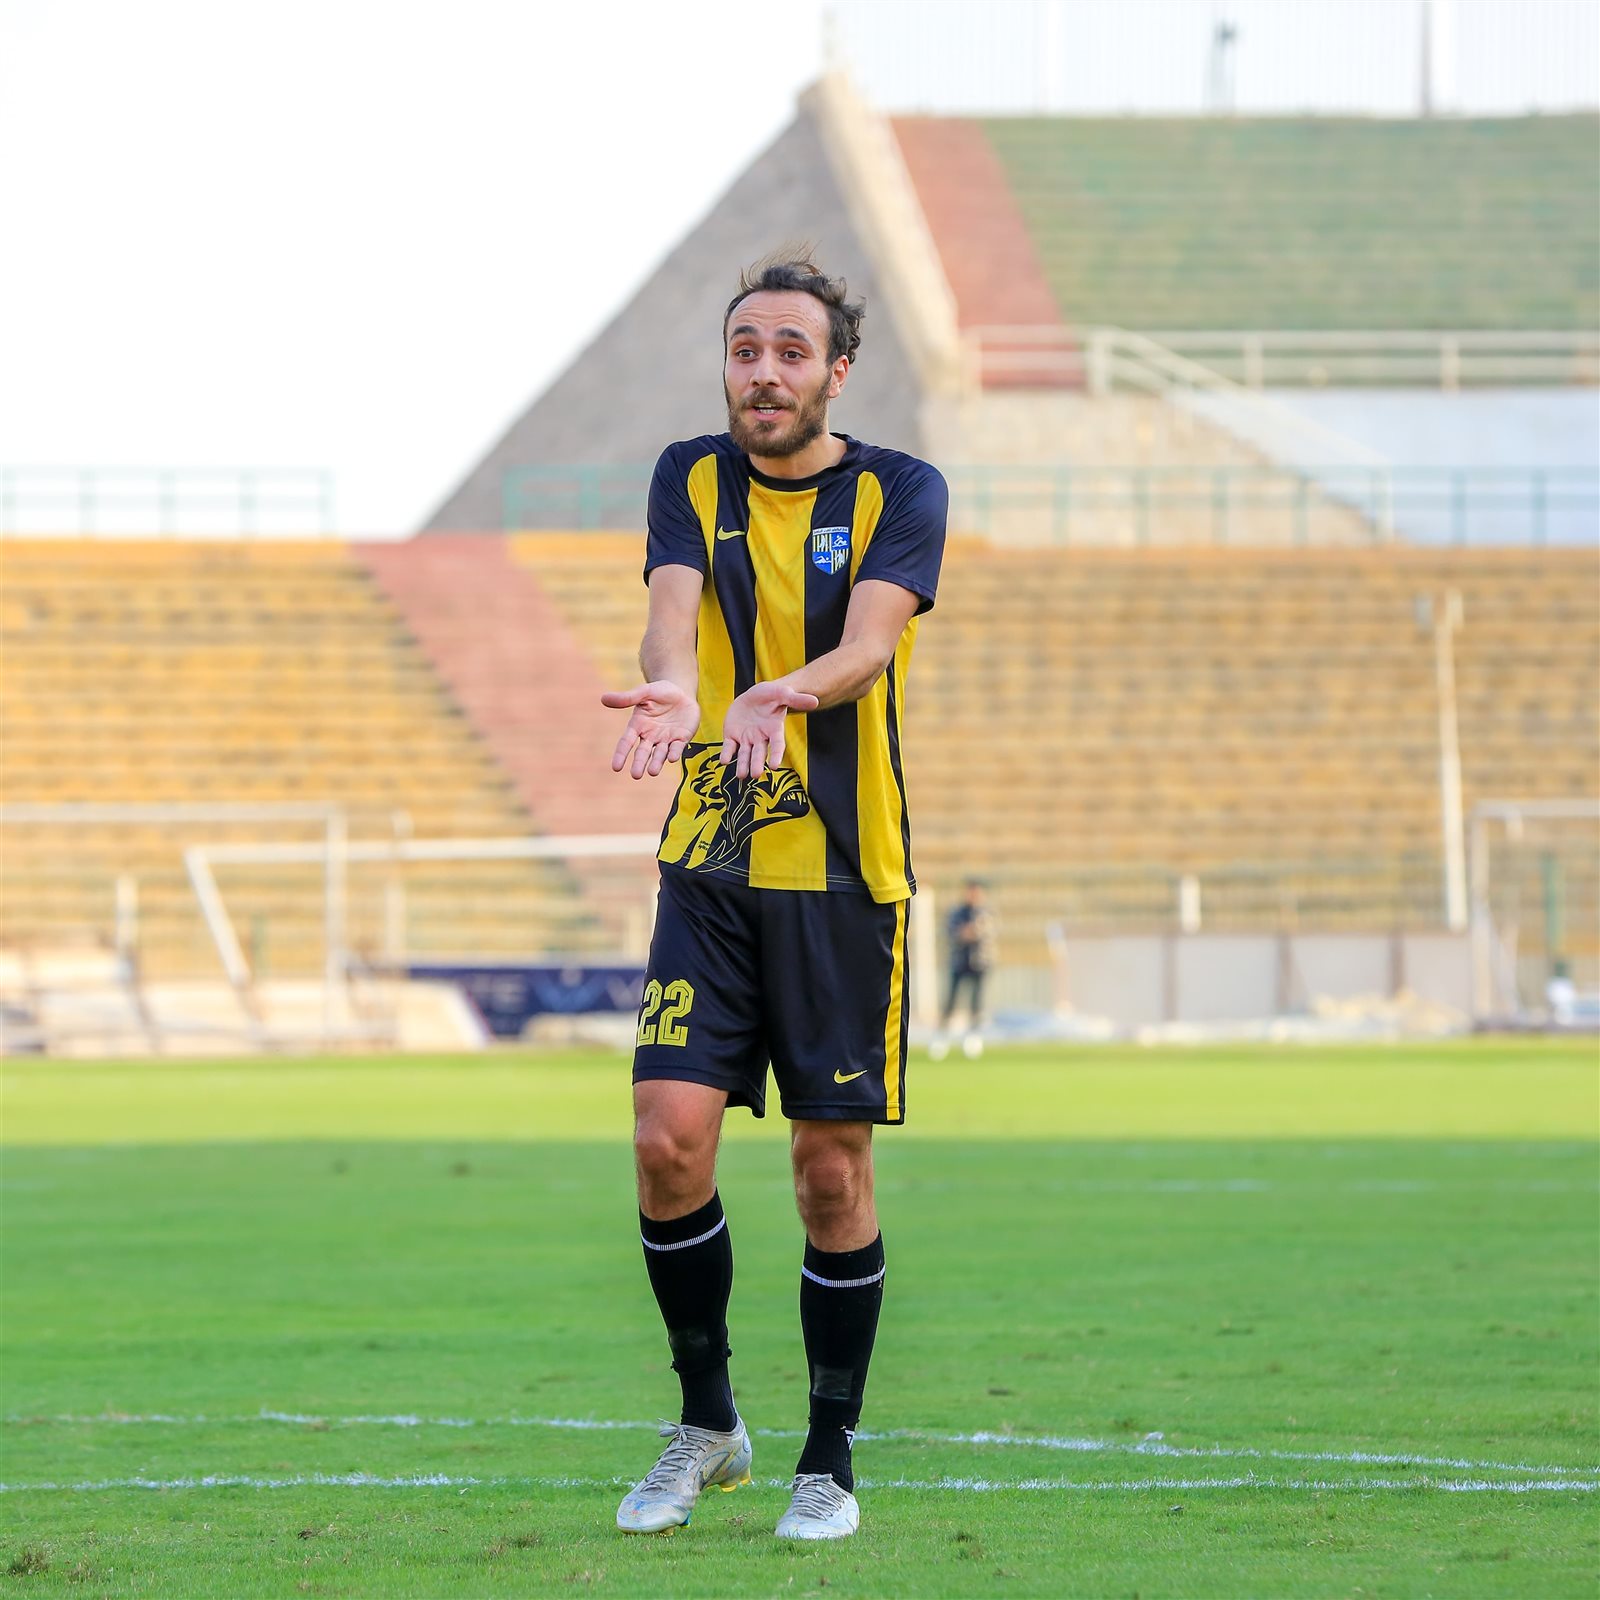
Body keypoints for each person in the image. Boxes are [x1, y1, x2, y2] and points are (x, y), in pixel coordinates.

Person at [600, 252, 947, 1542]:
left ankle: (828, 1456)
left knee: (827, 1172)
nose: (763, 372)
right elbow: (670, 615)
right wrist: (676, 686)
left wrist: (780, 691)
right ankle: (709, 1424)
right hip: (713, 861)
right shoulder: (689, 476)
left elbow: (867, 646)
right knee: (665, 1139)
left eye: (791, 351)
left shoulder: (901, 489)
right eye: (745, 349)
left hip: (845, 878)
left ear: (835, 371)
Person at [930, 878, 996, 1060]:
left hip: (980, 963)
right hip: (959, 962)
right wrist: (966, 933)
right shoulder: (957, 912)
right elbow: (951, 932)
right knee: (950, 1001)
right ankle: (941, 1037)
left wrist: (972, 932)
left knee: (977, 1002)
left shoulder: (986, 913)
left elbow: (987, 932)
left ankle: (973, 1037)